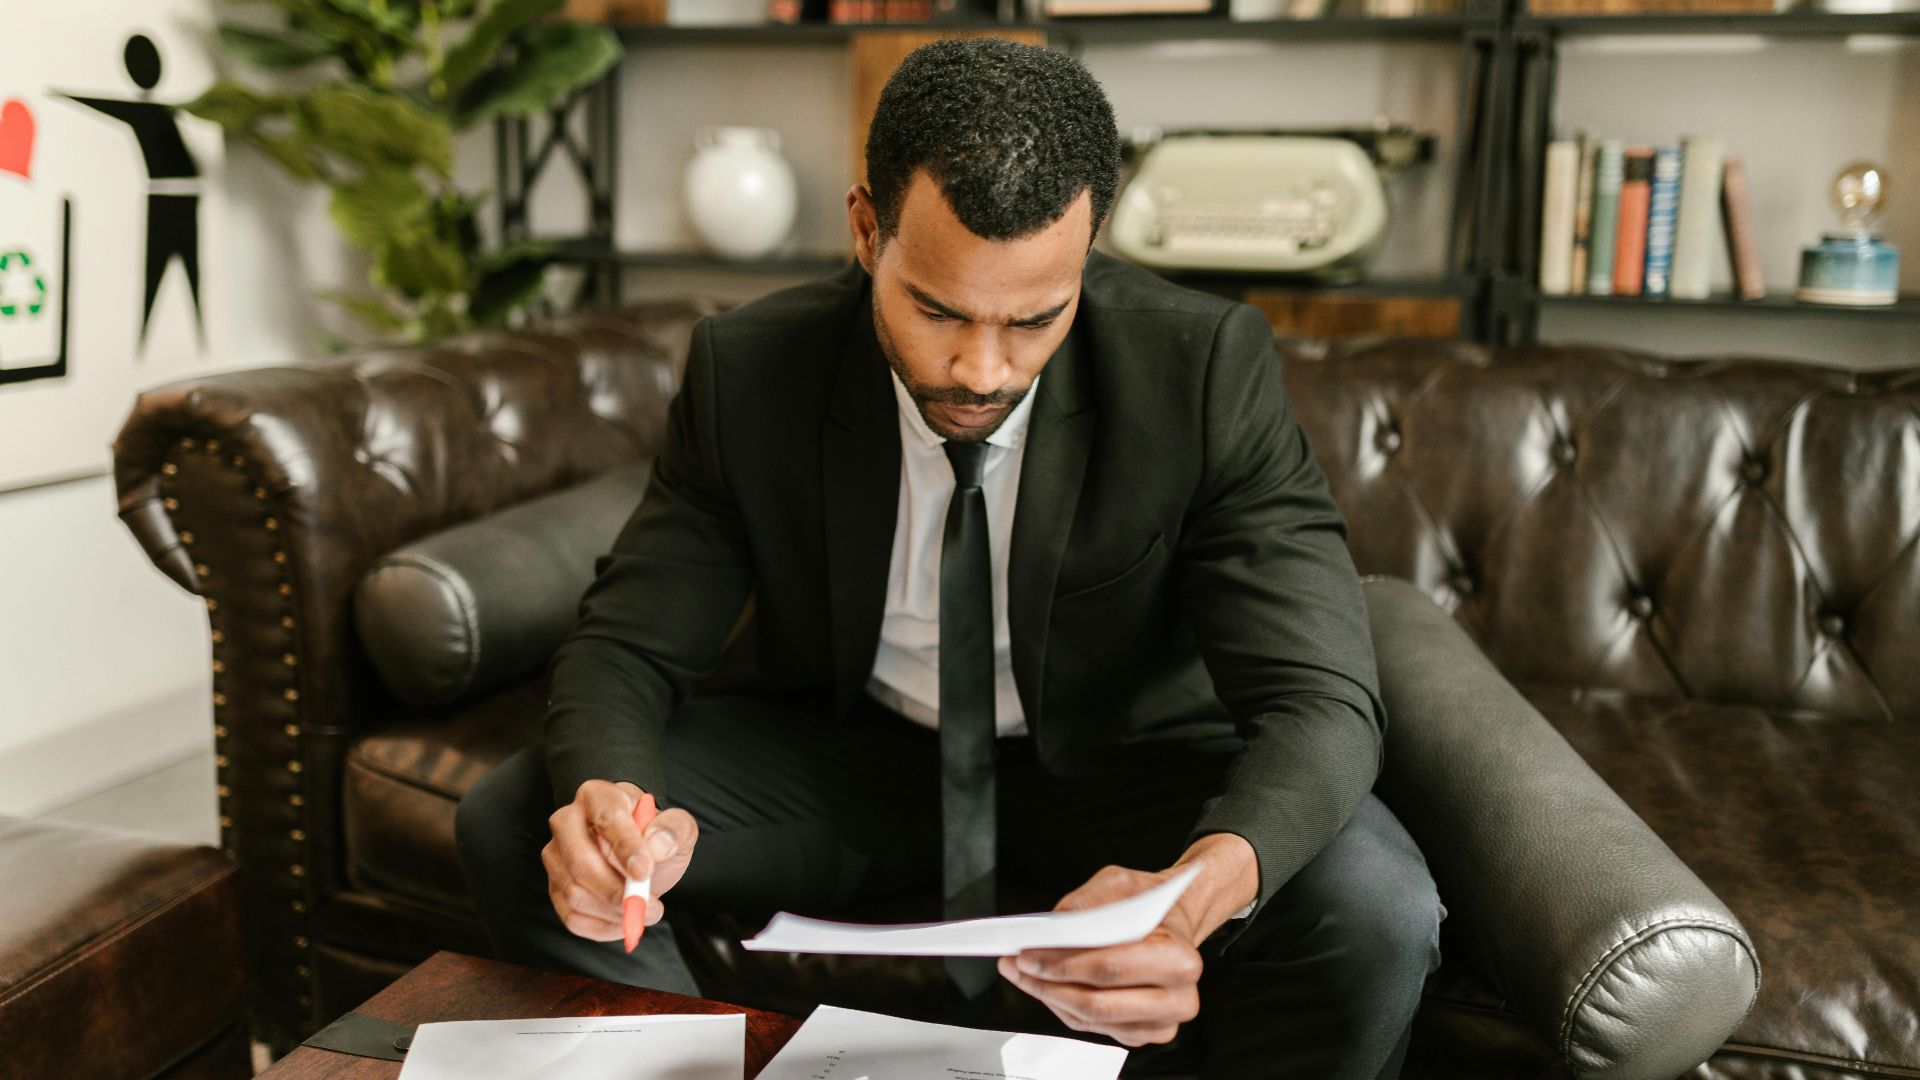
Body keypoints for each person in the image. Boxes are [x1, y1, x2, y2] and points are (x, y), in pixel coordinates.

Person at [458, 37, 1442, 1079]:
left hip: (1119, 770)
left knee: (1378, 906)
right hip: (859, 759)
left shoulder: (1204, 370)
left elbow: (1322, 702)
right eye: (936, 310)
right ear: (865, 230)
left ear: (1090, 245)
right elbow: (626, 642)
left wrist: (1182, 901)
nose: (981, 368)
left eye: (1034, 318)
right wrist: (613, 809)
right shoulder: (747, 369)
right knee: (525, 816)